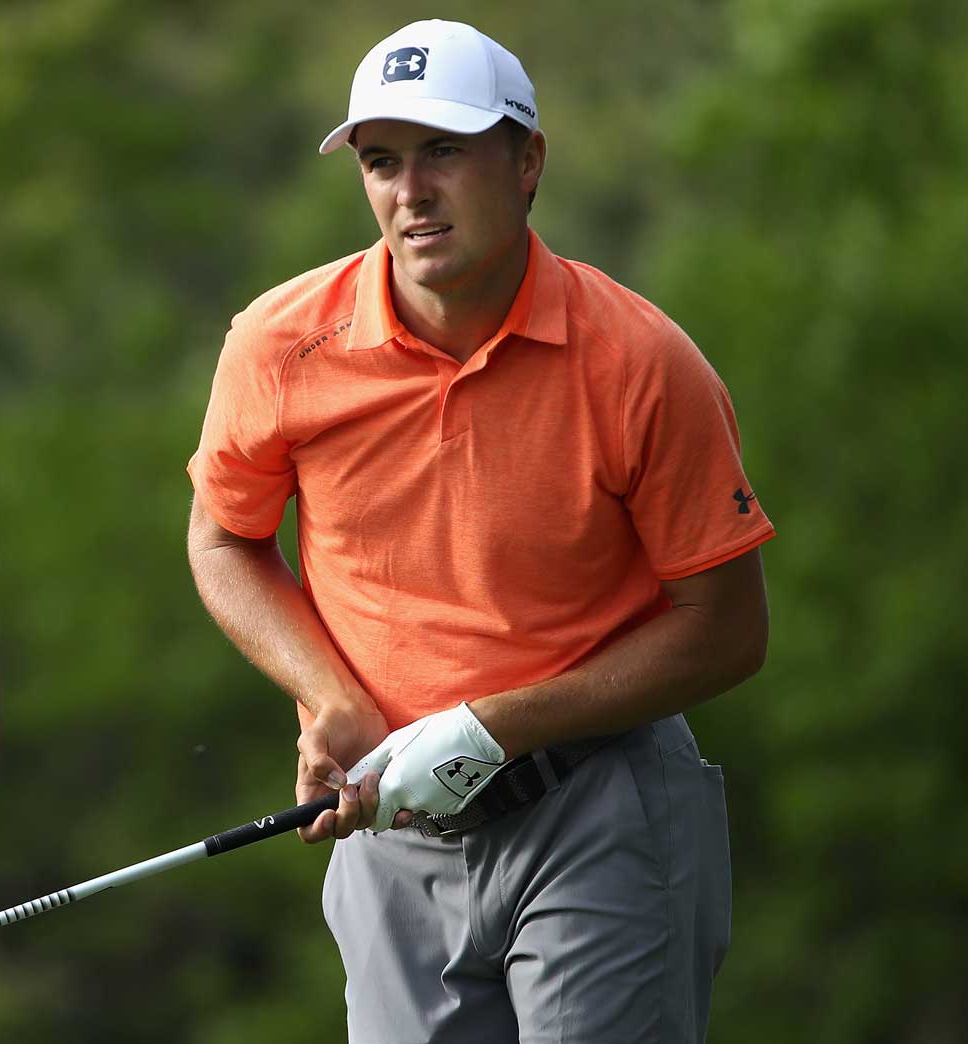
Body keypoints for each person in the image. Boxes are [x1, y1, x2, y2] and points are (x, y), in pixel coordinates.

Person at [186, 19, 772, 1043]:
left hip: (600, 803)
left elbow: (725, 629)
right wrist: (328, 696)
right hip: (390, 828)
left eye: (443, 153)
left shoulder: (638, 362)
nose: (408, 192)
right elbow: (223, 539)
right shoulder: (278, 345)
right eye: (380, 162)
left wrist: (492, 726)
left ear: (527, 160)